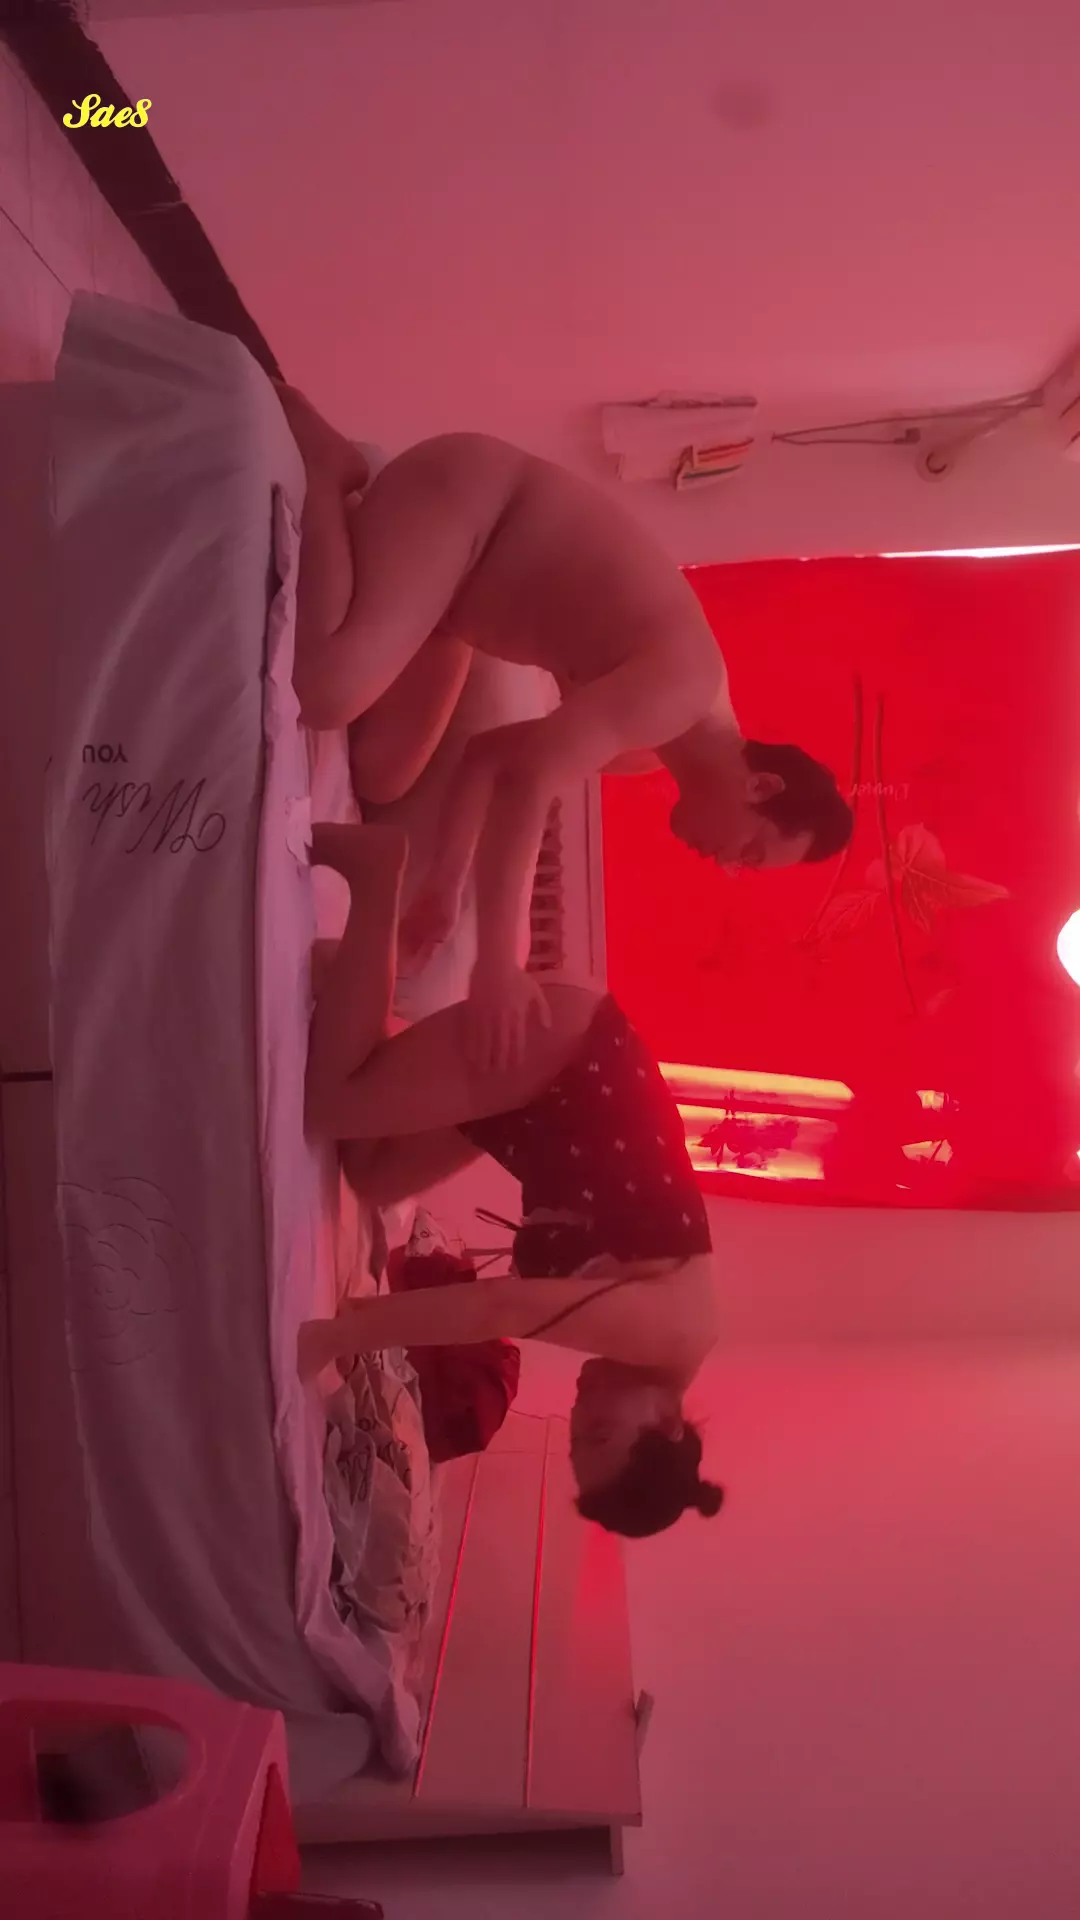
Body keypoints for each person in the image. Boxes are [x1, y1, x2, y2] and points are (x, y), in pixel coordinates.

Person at [276, 387, 853, 1067]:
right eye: (750, 851)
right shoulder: (686, 688)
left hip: (453, 615)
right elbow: (529, 780)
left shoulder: (643, 751)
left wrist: (443, 888)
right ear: (761, 786)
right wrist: (496, 964)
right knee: (327, 693)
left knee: (381, 771)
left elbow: (491, 758)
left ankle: (364, 552)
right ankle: (329, 468)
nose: (728, 865)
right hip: (471, 504)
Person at [299, 821, 725, 1540]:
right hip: (567, 1064)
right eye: (600, 1433)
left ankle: (344, 978)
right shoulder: (671, 1334)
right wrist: (336, 1335)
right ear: (666, 1421)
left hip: (538, 1111)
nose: (581, 1414)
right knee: (331, 1108)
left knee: (369, 1176)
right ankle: (376, 876)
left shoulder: (657, 1350)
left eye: (574, 1436)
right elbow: (498, 1308)